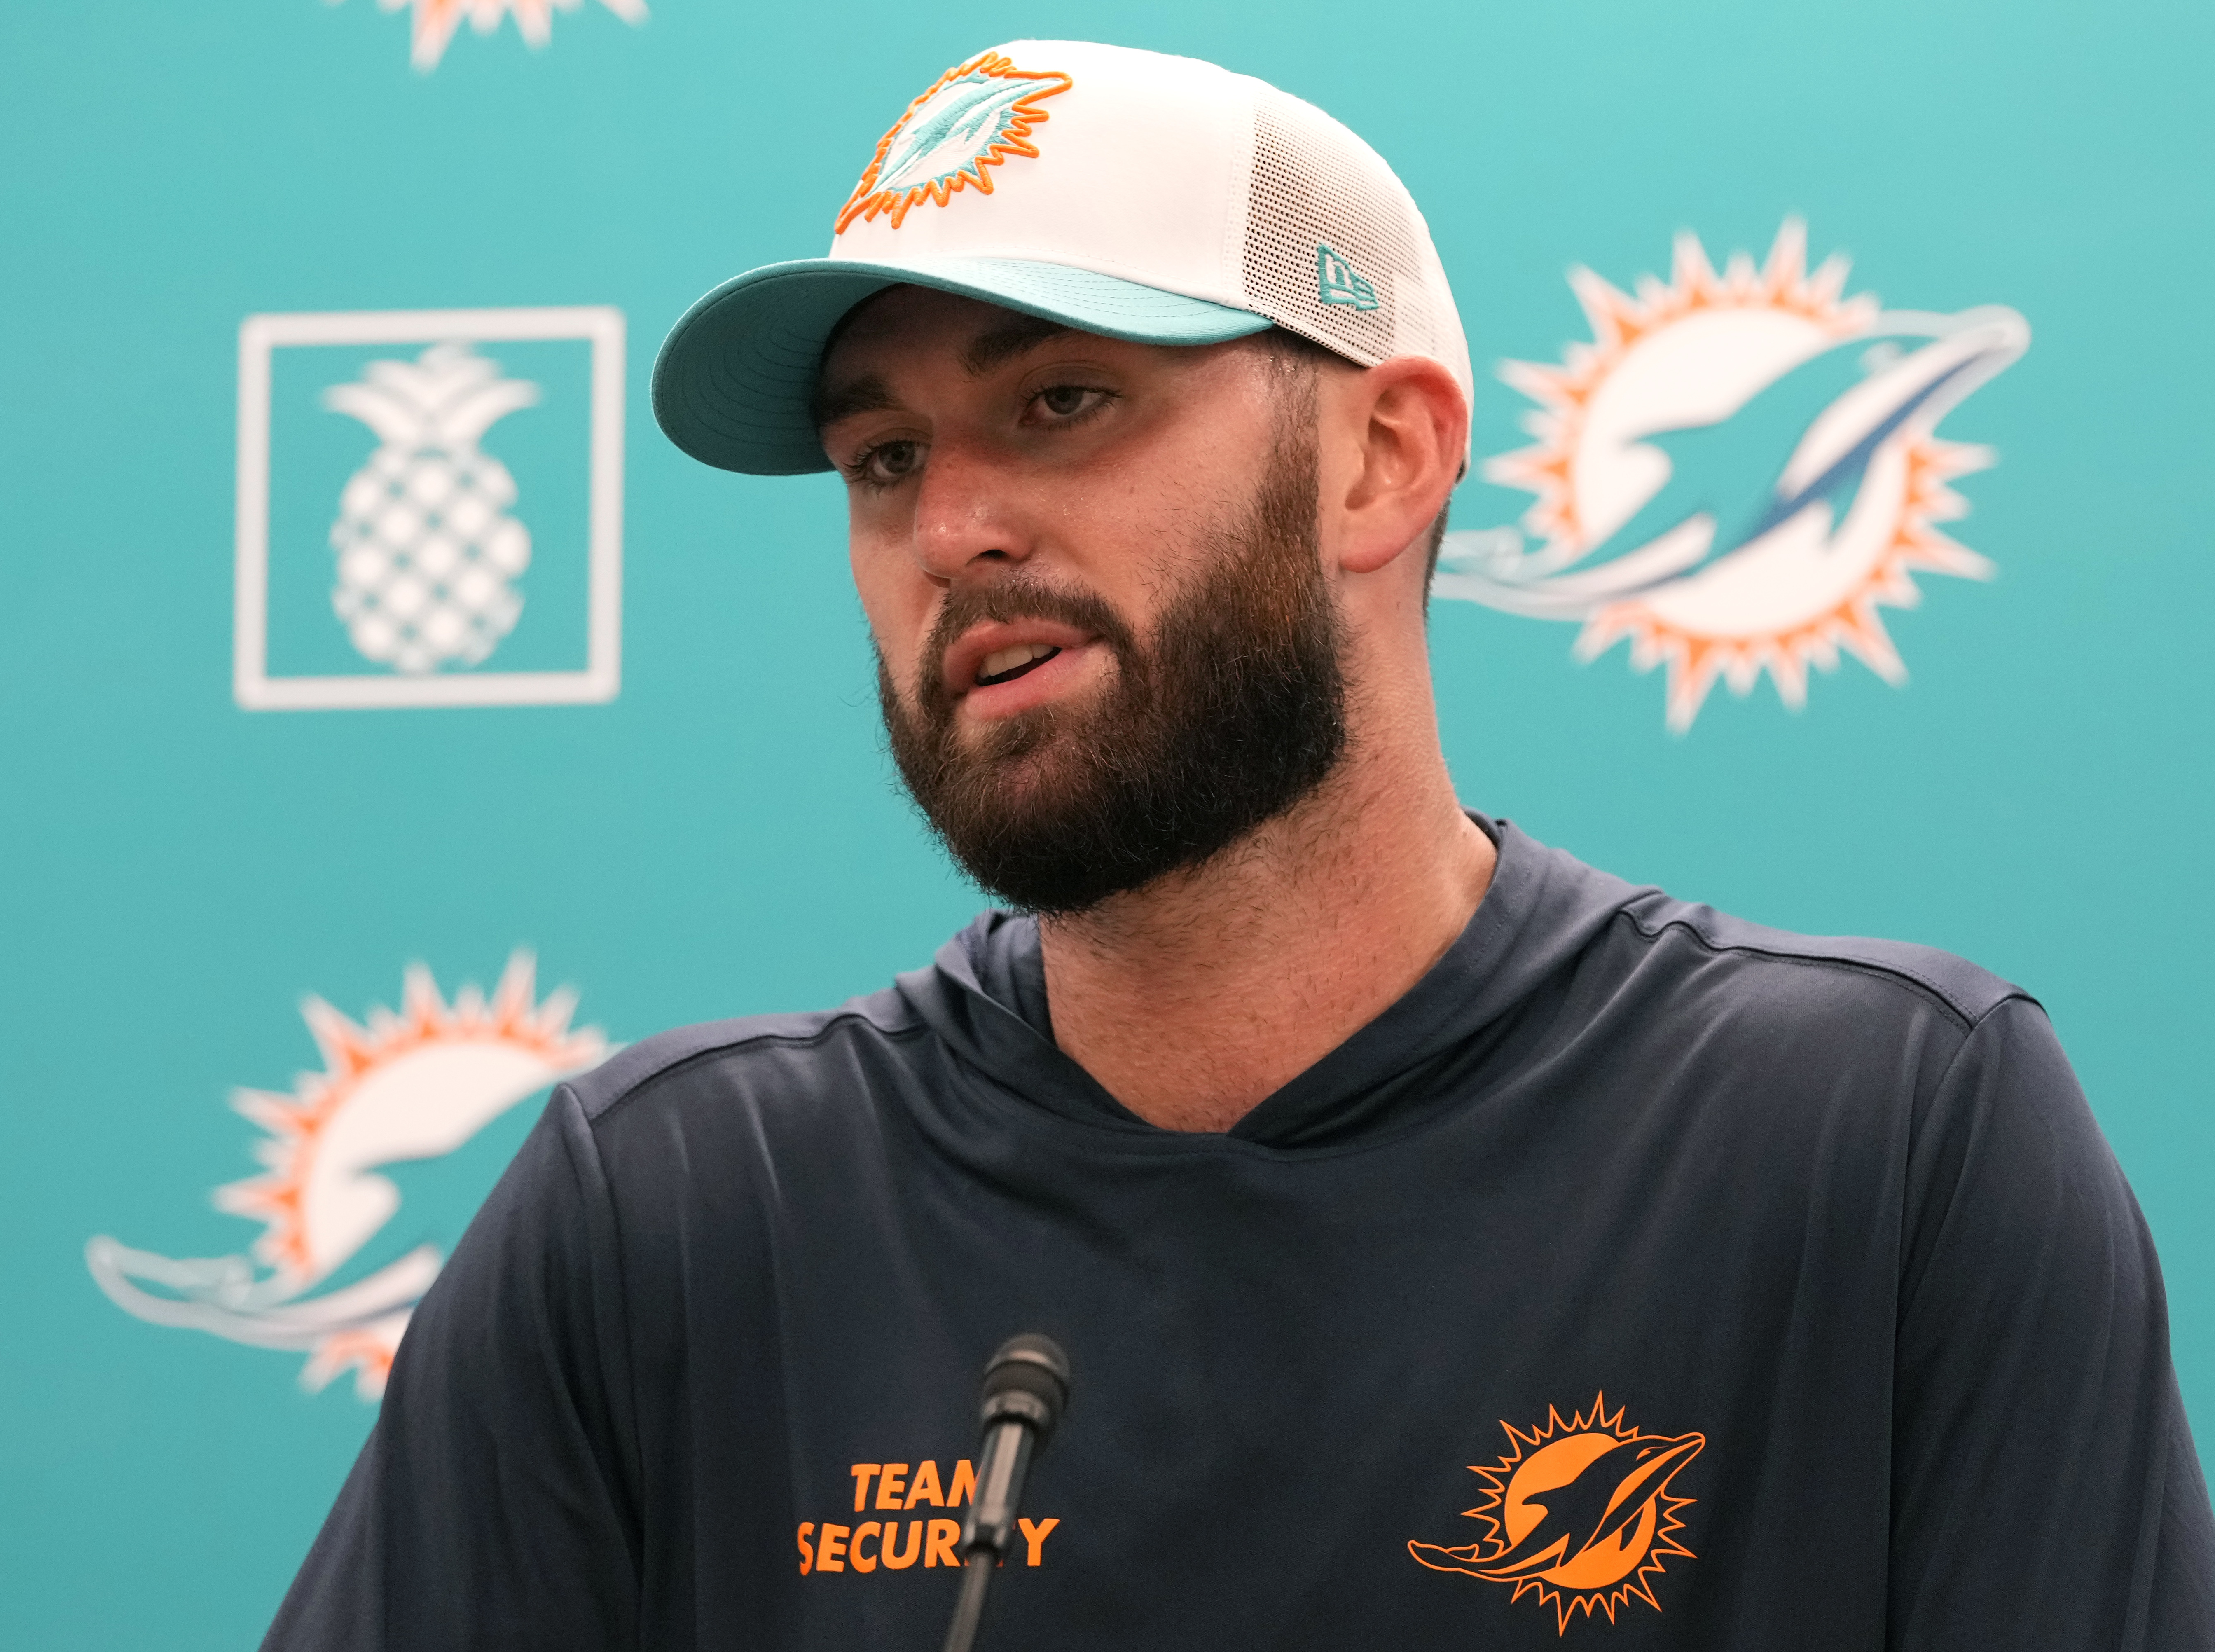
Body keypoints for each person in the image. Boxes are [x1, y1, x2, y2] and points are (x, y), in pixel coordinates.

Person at [263, 40, 2213, 1650]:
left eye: (1065, 399)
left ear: (1385, 457)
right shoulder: (667, 1215)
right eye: (884, 459)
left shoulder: (1885, 1140)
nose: (950, 530)